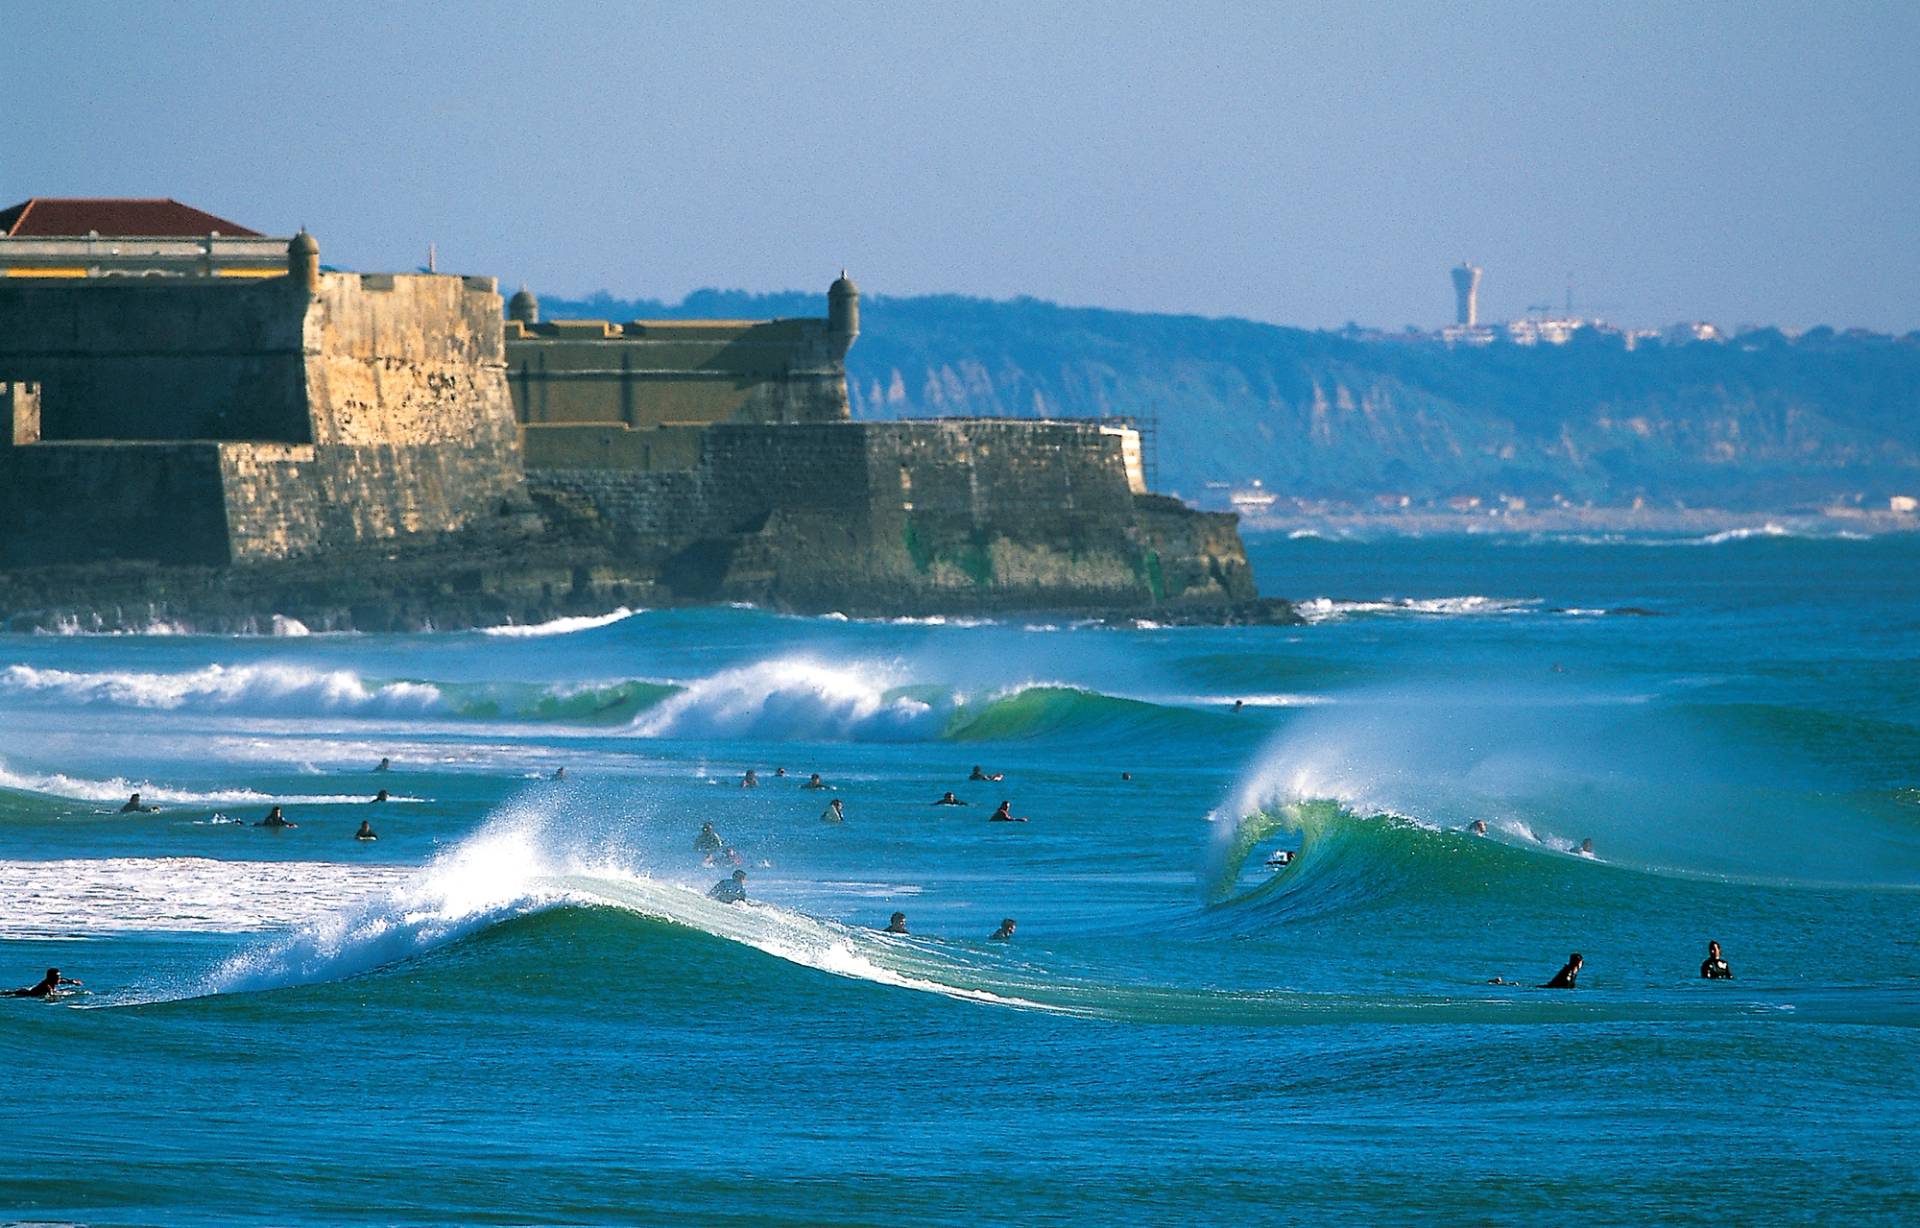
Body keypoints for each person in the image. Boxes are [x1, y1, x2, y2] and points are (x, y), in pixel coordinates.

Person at [6, 968, 81, 1000]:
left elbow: (64, 980)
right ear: (50, 977)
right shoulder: (47, 986)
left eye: (59, 976)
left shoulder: (54, 981)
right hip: (25, 994)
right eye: (57, 977)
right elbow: (52, 996)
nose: (59, 978)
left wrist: (73, 982)